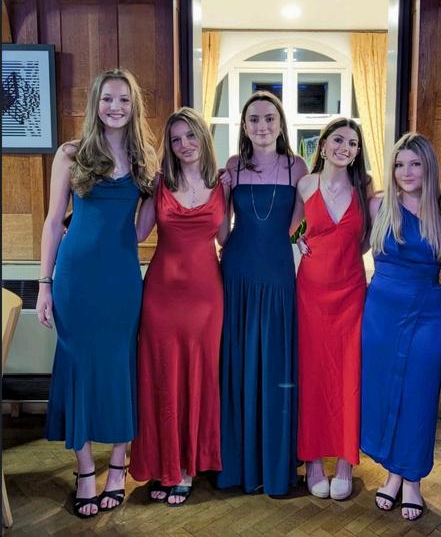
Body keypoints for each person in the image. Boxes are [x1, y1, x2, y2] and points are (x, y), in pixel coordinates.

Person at [36, 69, 158, 518]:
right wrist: (44, 284)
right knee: (78, 368)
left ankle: (119, 464)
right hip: (75, 279)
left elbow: (141, 231)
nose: (115, 107)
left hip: (121, 280)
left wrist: (161, 189)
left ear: (134, 105)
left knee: (121, 367)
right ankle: (85, 469)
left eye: (124, 99)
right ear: (96, 103)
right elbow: (54, 222)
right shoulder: (70, 154)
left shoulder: (145, 159)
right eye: (107, 98)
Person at [129, 108, 229, 506]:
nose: (184, 144)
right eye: (175, 139)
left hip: (206, 298)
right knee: (161, 377)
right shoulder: (159, 184)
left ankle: (186, 468)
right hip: (162, 296)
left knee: (198, 377)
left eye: (190, 136)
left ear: (203, 137)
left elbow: (227, 239)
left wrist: (301, 238)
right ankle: (163, 465)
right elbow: (138, 233)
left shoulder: (223, 183)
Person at [217, 91, 308, 496]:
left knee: (274, 367)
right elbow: (222, 233)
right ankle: (238, 465)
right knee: (238, 365)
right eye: (254, 119)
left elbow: (299, 225)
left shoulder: (297, 167)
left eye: (269, 118)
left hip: (278, 275)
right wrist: (219, 192)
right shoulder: (232, 166)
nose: (262, 126)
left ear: (281, 123)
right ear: (244, 125)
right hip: (237, 274)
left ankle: (273, 464)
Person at [360, 133, 441, 521]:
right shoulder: (378, 204)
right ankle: (393, 474)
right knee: (383, 391)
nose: (406, 172)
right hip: (381, 313)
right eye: (399, 164)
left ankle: (412, 479)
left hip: (427, 313)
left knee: (418, 395)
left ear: (428, 167)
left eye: (414, 164)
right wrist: (302, 242)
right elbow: (343, 240)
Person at [294, 118, 371, 500]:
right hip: (310, 292)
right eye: (338, 140)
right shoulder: (305, 184)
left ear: (357, 152)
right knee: (312, 375)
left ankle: (344, 461)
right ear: (322, 145)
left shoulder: (365, 187)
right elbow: (292, 227)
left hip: (351, 294)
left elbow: (368, 239)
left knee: (348, 376)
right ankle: (312, 461)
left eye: (352, 143)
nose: (345, 148)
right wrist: (299, 240)